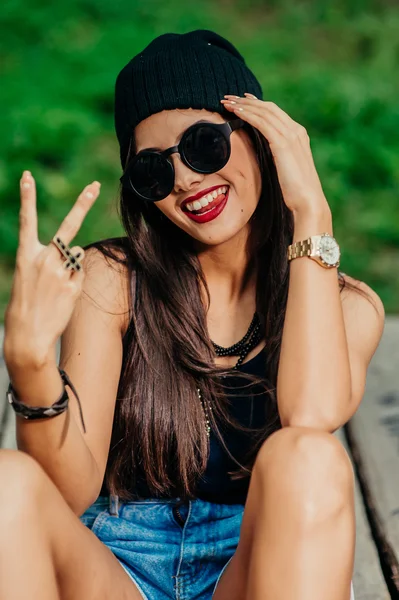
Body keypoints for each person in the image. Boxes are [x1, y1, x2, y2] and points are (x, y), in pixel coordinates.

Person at [1, 29, 385, 600]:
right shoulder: (116, 278)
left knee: (306, 457)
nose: (185, 180)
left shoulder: (348, 306)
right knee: (7, 483)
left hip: (258, 568)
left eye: (205, 145)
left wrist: (311, 212)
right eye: (154, 170)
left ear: (261, 139)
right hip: (119, 566)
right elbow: (68, 493)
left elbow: (310, 417)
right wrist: (31, 365)